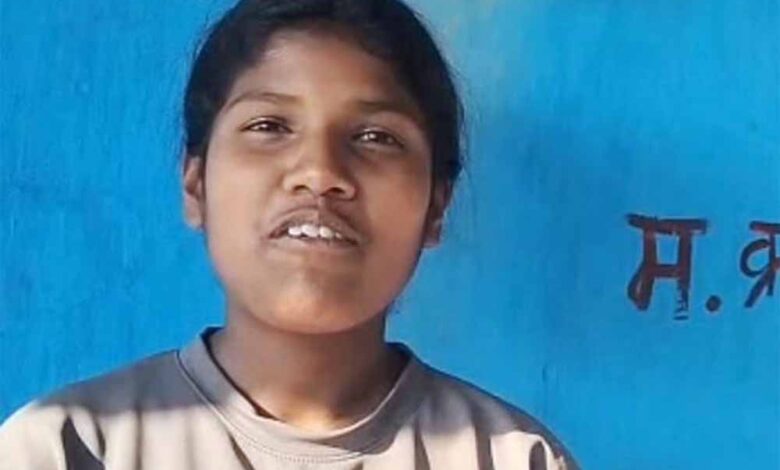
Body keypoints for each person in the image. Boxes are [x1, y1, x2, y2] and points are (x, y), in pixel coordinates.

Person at [0, 0, 578, 468]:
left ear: (436, 206)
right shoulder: (66, 449)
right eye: (269, 125)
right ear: (196, 185)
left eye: (376, 137)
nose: (320, 173)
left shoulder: (512, 458)